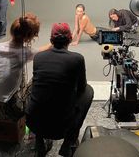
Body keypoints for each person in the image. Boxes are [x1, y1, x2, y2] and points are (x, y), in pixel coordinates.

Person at [26, 22, 94, 157]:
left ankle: (39, 142)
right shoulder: (77, 59)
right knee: (89, 91)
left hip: (34, 122)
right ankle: (68, 143)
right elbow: (81, 88)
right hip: (62, 127)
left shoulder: (39, 57)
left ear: (51, 40)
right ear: (69, 39)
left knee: (35, 88)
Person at [0, 13, 51, 121]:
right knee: (36, 80)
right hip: (9, 111)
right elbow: (42, 50)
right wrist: (53, 41)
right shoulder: (24, 52)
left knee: (17, 71)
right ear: (30, 37)